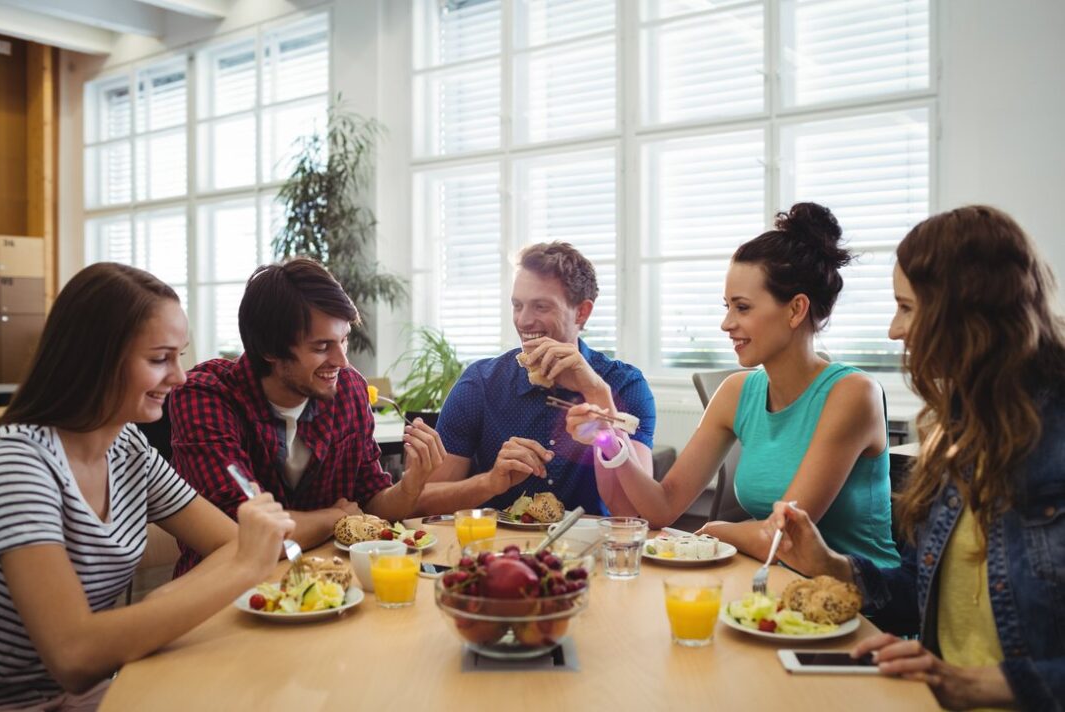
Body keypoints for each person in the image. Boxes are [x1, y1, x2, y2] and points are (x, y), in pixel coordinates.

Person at [763, 205, 1065, 711]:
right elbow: (920, 592)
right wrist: (833, 566)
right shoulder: (961, 430)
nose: (894, 331)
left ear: (966, 312)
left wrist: (976, 684)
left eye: (906, 307)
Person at [0, 263, 294, 709]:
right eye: (160, 359)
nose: (179, 377)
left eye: (180, 355)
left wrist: (171, 596)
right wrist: (245, 568)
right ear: (95, 359)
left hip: (98, 689)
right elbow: (73, 654)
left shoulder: (127, 446)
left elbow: (228, 542)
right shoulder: (18, 462)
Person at [566, 203, 899, 567]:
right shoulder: (737, 392)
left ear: (795, 309)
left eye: (742, 308)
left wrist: (717, 529)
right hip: (770, 588)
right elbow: (662, 507)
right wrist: (610, 441)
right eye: (727, 306)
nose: (726, 323)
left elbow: (783, 539)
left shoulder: (852, 394)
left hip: (858, 602)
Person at [169, 258, 445, 575]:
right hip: (228, 596)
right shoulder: (206, 395)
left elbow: (370, 504)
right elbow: (239, 531)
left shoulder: (350, 390)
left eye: (343, 340)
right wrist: (334, 517)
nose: (342, 361)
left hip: (333, 588)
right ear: (269, 350)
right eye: (321, 347)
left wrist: (411, 486)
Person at [416, 242, 655, 516]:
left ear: (582, 312)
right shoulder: (480, 383)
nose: (523, 320)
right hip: (495, 552)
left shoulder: (625, 385)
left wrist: (596, 392)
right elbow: (422, 502)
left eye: (541, 307)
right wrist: (488, 482)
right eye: (517, 306)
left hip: (589, 552)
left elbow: (635, 513)